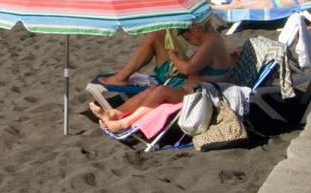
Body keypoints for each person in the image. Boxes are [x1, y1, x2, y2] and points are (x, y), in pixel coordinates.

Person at [89, 18, 234, 131]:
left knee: (160, 91)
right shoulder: (212, 40)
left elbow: (187, 69)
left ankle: (124, 122)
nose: (186, 38)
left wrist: (174, 57)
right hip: (193, 89)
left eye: (185, 34)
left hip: (199, 95)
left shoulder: (210, 43)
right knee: (152, 90)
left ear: (195, 29)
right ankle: (115, 113)